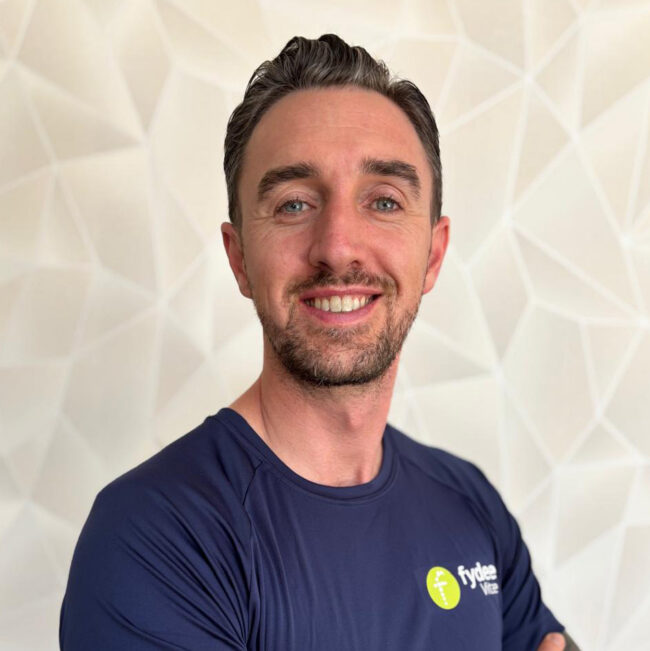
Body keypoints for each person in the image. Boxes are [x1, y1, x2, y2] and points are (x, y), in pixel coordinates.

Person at [59, 34, 579, 650]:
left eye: (383, 201)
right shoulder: (156, 536)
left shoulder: (469, 501)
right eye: (294, 204)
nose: (337, 246)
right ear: (240, 259)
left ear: (433, 255)